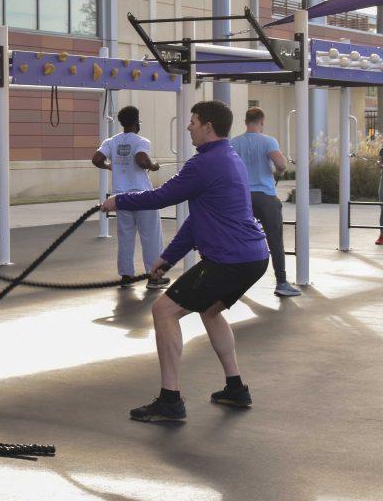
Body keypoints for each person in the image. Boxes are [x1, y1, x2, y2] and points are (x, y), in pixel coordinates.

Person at [101, 100, 269, 423]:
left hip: (229, 259)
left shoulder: (204, 164)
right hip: (253, 257)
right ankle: (236, 388)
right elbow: (196, 222)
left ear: (208, 127)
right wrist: (166, 258)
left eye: (193, 121)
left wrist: (118, 200)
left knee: (163, 311)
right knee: (210, 310)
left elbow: (160, 196)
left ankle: (170, 400)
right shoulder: (227, 158)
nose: (188, 126)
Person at [92, 105, 166, 289]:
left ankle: (126, 276)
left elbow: (96, 159)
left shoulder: (111, 141)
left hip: (121, 197)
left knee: (125, 237)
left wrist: (110, 166)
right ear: (136, 122)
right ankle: (154, 277)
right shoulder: (142, 141)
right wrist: (153, 165)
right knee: (150, 237)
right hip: (142, 196)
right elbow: (141, 160)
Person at [230, 108, 300, 297]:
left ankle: (236, 282)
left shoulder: (234, 142)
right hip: (265, 196)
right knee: (275, 240)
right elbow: (281, 164)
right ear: (261, 121)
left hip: (242, 198)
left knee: (240, 239)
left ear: (246, 122)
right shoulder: (268, 141)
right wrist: (277, 169)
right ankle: (281, 282)